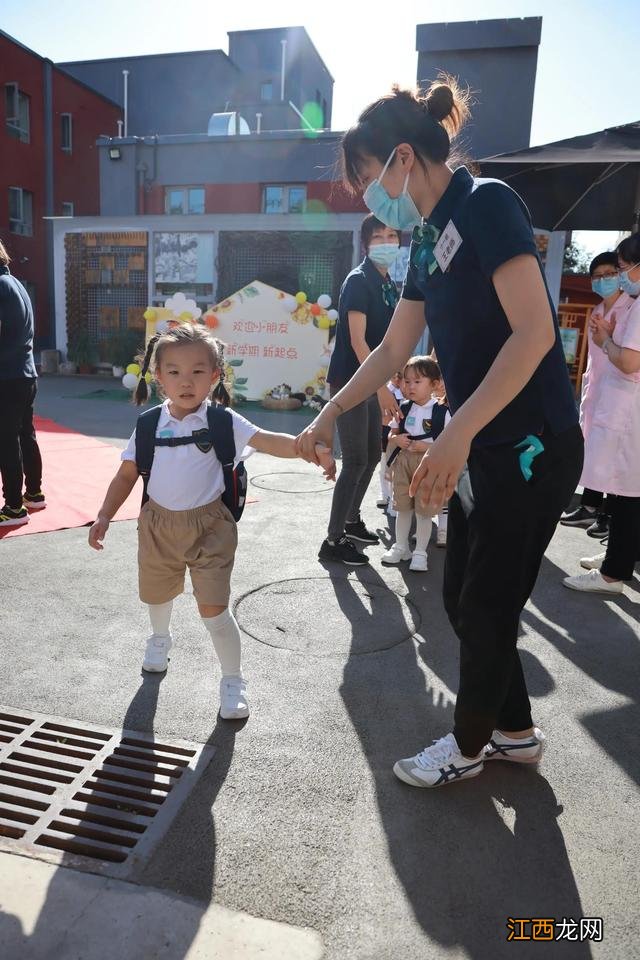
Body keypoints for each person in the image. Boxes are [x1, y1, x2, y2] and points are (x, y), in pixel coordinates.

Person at [296, 80, 583, 788]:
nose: (367, 195)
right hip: (482, 444)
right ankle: (514, 733)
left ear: (400, 158)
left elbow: (533, 333)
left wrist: (454, 435)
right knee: (461, 599)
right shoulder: (425, 240)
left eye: (365, 178)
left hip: (529, 444)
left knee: (486, 603)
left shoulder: (487, 205)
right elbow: (394, 352)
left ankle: (470, 744)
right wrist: (329, 413)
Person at [89, 324, 334, 719]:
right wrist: (104, 515)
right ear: (158, 376)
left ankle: (232, 680)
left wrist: (311, 450)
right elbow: (127, 474)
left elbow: (270, 441)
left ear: (216, 375)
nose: (186, 381)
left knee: (214, 610)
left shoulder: (223, 421)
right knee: (158, 594)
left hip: (211, 528)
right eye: (174, 371)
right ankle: (159, 638)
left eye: (198, 371)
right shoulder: (149, 424)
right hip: (157, 525)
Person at [319, 214, 402, 566]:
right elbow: (357, 341)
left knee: (370, 456)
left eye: (392, 235)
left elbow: (389, 340)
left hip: (372, 381)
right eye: (378, 237)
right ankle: (332, 539)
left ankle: (351, 522)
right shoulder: (359, 281)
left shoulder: (388, 283)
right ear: (366, 244)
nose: (386, 243)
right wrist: (382, 388)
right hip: (352, 384)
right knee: (355, 460)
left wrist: (393, 377)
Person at [563, 234, 640, 594]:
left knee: (626, 491)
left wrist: (606, 340)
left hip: (627, 410)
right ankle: (619, 557)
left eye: (623, 268)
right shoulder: (614, 308)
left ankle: (613, 573)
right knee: (621, 488)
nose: (620, 276)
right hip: (615, 406)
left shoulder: (635, 307)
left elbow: (626, 360)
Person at [560, 251, 626, 539]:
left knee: (614, 457)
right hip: (598, 391)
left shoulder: (629, 310)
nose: (603, 280)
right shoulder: (599, 310)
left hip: (620, 394)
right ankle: (590, 508)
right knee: (595, 450)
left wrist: (610, 338)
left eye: (609, 274)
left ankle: (608, 515)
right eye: (597, 276)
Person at [382, 356, 450, 571]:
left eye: (417, 382)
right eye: (407, 381)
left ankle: (420, 552)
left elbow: (450, 445)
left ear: (435, 384)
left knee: (424, 511)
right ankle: (401, 547)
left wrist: (426, 448)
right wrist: (396, 440)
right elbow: (392, 434)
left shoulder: (442, 412)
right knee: (402, 508)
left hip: (428, 465)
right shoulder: (403, 407)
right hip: (403, 463)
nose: (410, 386)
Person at [0, 238, 46, 528]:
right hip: (25, 372)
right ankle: (34, 492)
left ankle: (14, 507)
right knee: (25, 433)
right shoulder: (16, 284)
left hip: (7, 376)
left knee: (6, 440)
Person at [377, 370, 405, 510]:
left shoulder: (406, 393)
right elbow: (382, 416)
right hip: (385, 433)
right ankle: (384, 494)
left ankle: (395, 500)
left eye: (400, 375)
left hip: (402, 436)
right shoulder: (384, 391)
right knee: (384, 465)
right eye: (394, 375)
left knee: (398, 469)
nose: (397, 378)